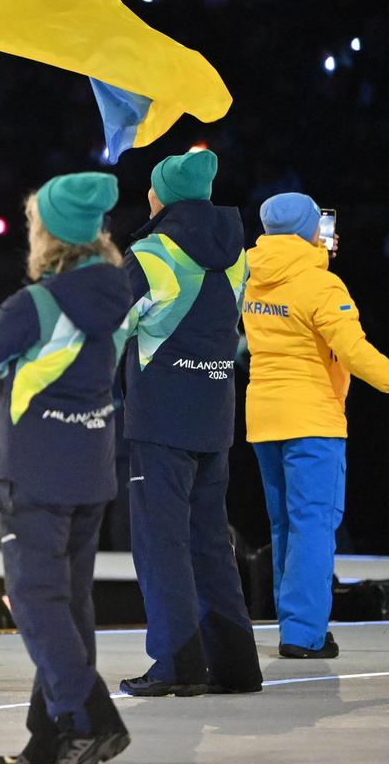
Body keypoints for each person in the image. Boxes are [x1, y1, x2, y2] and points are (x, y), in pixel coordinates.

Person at [0, 173, 133, 764]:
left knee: (35, 602)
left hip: (35, 476)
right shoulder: (119, 297)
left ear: (48, 235)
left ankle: (89, 718)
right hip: (92, 471)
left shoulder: (37, 305)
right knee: (68, 606)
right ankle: (48, 743)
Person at [114, 150, 262, 696]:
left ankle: (177, 665)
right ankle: (236, 667)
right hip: (214, 412)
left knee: (160, 544)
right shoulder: (238, 252)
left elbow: (111, 327)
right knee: (209, 544)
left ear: (164, 196)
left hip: (159, 420)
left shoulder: (153, 253)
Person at [242, 193, 389, 660]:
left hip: (264, 419)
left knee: (286, 524)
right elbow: (355, 353)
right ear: (311, 229)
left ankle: (295, 624)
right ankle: (303, 634)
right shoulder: (321, 286)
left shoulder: (249, 276)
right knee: (313, 526)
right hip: (312, 420)